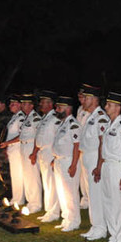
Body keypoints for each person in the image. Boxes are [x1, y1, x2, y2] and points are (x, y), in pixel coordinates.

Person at [100, 93, 121, 242]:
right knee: (108, 202)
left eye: (109, 105)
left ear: (118, 108)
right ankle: (113, 235)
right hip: (107, 166)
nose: (106, 107)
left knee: (119, 204)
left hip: (118, 167)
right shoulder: (109, 125)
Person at [76, 88, 108, 240]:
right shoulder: (90, 116)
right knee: (90, 193)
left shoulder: (101, 117)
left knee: (96, 194)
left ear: (95, 99)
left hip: (95, 157)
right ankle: (95, 225)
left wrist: (99, 165)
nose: (84, 100)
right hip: (87, 157)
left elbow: (103, 142)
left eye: (87, 97)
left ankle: (100, 228)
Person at [51, 98, 82, 233]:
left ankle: (74, 221)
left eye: (60, 107)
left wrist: (74, 164)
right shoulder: (63, 124)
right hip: (59, 161)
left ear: (68, 108)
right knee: (62, 192)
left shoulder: (73, 124)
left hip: (69, 161)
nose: (57, 110)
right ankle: (66, 219)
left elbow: (77, 146)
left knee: (70, 193)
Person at [34, 95, 61, 222]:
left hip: (50, 152)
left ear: (50, 104)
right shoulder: (45, 118)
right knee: (47, 183)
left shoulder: (55, 118)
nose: (40, 105)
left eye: (43, 102)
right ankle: (48, 210)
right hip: (43, 153)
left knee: (51, 183)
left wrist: (55, 156)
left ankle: (54, 212)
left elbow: (58, 137)